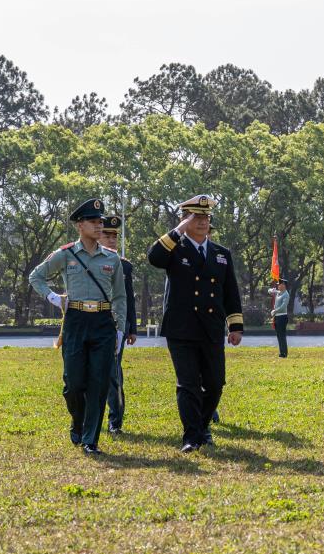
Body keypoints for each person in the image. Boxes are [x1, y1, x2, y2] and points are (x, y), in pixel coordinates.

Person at [30, 198, 127, 455]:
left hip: (103, 324)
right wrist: (53, 298)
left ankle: (90, 439)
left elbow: (120, 296)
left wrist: (120, 330)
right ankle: (77, 421)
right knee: (73, 383)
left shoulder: (112, 259)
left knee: (98, 383)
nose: (99, 226)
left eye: (100, 222)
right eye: (93, 222)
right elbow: (36, 276)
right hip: (75, 320)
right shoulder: (66, 254)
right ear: (80, 225)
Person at [146, 195, 243, 452]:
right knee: (188, 383)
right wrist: (178, 230)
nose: (202, 222)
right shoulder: (174, 249)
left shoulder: (221, 254)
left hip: (210, 327)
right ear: (185, 219)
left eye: (206, 217)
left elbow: (230, 292)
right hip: (181, 328)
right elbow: (154, 257)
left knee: (215, 383)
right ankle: (192, 436)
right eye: (195, 217)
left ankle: (201, 427)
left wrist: (235, 326)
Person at [98, 215, 137, 435]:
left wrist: (132, 329)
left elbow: (128, 298)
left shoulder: (124, 265)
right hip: (94, 320)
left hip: (118, 325)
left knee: (113, 372)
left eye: (114, 236)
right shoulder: (86, 260)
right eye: (107, 235)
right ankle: (92, 418)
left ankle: (115, 419)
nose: (112, 240)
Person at [268, 278, 290, 358]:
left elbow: (283, 307)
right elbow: (269, 291)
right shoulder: (279, 293)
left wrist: (275, 311)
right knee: (278, 335)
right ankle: (281, 352)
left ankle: (284, 353)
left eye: (280, 284)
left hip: (282, 317)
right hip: (277, 317)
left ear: (284, 285)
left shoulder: (286, 295)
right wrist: (272, 290)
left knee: (282, 335)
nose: (278, 286)